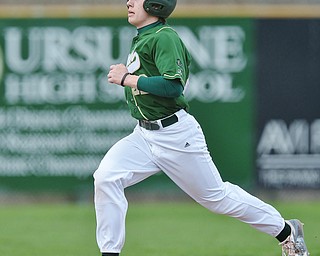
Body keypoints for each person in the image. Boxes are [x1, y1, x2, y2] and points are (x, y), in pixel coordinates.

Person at [93, 0, 310, 255]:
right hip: (143, 135)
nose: (128, 2)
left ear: (155, 3)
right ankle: (110, 253)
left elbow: (173, 86)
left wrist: (128, 78)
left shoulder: (164, 37)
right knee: (106, 177)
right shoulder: (144, 37)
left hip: (175, 135)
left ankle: (286, 230)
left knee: (217, 198)